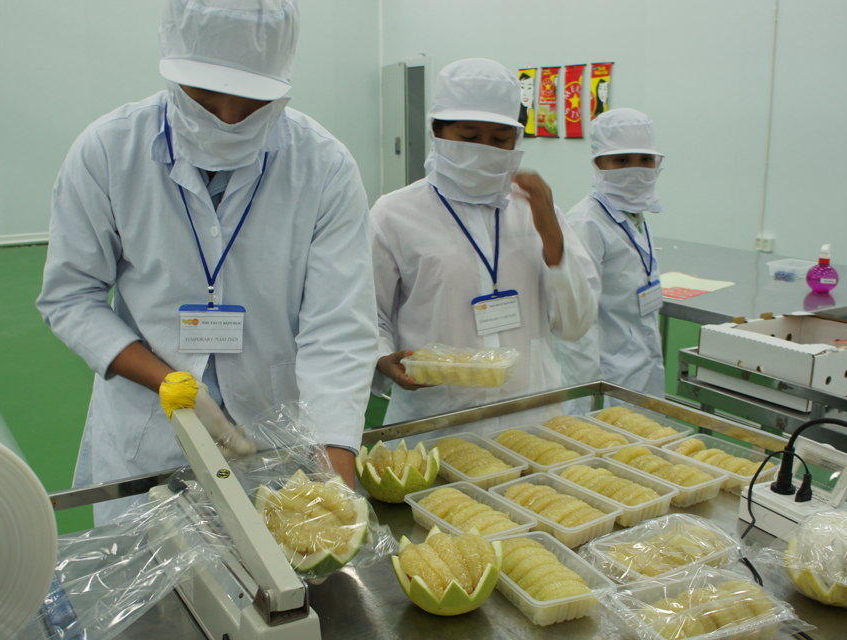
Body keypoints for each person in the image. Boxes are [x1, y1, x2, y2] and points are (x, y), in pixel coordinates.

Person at [36, 0, 377, 524]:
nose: (228, 116)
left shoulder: (323, 167)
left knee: (278, 592)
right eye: (205, 96)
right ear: (172, 66)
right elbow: (71, 296)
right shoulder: (108, 152)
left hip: (274, 443)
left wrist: (335, 476)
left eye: (251, 100)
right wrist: (165, 381)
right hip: (149, 440)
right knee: (160, 597)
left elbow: (337, 330)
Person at [371, 58, 598, 436]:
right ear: (438, 132)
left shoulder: (537, 210)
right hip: (437, 422)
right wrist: (381, 357)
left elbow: (575, 325)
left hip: (532, 418)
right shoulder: (394, 214)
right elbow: (368, 313)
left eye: (499, 139)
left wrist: (551, 236)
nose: (485, 149)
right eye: (470, 136)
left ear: (516, 140)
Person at [554, 108, 665, 411]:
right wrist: (589, 392)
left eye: (645, 160)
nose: (636, 169)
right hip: (605, 379)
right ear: (599, 163)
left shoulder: (636, 215)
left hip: (642, 366)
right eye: (621, 160)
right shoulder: (586, 222)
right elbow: (579, 322)